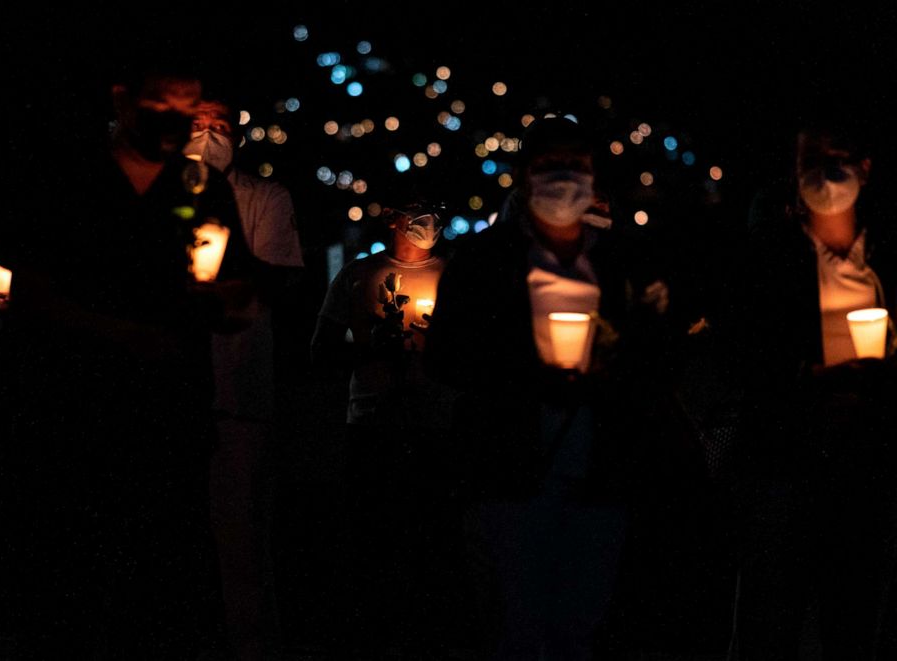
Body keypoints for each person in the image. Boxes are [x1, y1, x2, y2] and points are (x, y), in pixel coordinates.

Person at [2, 60, 259, 659]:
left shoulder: (202, 187)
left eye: (188, 106)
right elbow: (31, 297)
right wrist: (120, 333)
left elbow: (240, 290)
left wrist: (226, 300)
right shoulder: (65, 185)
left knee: (170, 587)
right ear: (123, 101)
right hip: (75, 421)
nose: (178, 120)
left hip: (171, 418)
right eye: (162, 104)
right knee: (80, 590)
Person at [424, 116, 675, 660]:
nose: (564, 178)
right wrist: (528, 372)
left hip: (601, 472)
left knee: (581, 624)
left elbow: (655, 359)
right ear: (521, 175)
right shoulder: (482, 262)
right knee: (517, 625)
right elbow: (446, 357)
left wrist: (609, 370)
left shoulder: (621, 266)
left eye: (576, 166)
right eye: (549, 166)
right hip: (510, 471)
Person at [730, 116, 897, 659]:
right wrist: (810, 379)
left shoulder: (885, 261)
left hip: (870, 467)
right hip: (786, 463)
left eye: (839, 155)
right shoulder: (767, 261)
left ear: (866, 168)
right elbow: (743, 357)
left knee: (852, 621)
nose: (826, 171)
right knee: (769, 622)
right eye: (811, 160)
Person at [182, 99, 305, 660]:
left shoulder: (265, 198)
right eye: (197, 124)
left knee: (242, 541)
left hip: (237, 394)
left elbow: (279, 280)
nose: (209, 134)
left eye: (221, 125)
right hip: (168, 390)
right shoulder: (155, 196)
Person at [311, 195, 459, 658]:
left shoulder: (456, 278)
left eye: (433, 211)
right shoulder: (357, 275)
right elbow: (322, 351)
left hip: (438, 427)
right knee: (371, 537)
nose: (426, 221)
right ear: (393, 218)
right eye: (416, 210)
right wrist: (374, 352)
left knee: (434, 542)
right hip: (372, 424)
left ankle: (431, 634)